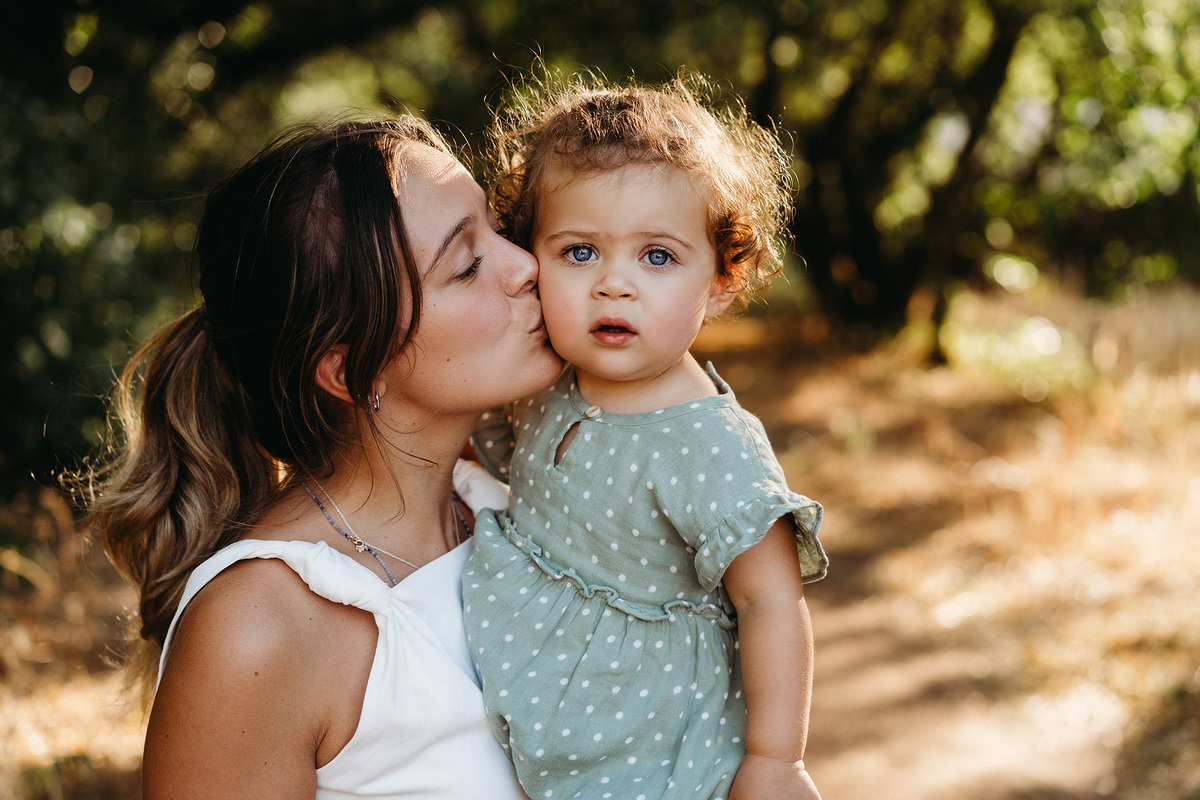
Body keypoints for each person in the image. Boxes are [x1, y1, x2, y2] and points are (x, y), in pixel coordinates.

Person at [71, 116, 563, 798]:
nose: (526, 266)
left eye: (495, 228)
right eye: (468, 264)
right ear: (352, 370)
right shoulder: (259, 626)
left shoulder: (510, 494)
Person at [461, 72, 829, 800]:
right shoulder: (541, 380)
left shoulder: (708, 444)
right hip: (545, 718)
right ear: (529, 256)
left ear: (721, 280)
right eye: (579, 252)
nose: (613, 284)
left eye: (656, 257)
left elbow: (771, 603)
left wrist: (775, 758)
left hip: (658, 742)